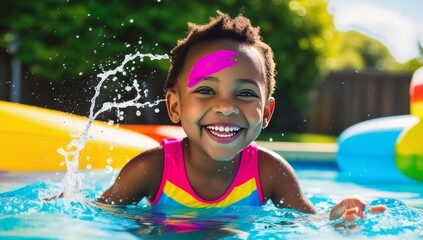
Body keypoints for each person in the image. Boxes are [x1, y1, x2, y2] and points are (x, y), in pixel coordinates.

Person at [98, 11, 385, 221]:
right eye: (206, 90)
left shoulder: (270, 172)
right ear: (175, 107)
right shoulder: (152, 168)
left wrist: (338, 217)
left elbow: (310, 222)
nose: (226, 106)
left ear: (267, 112)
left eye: (246, 94)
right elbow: (99, 214)